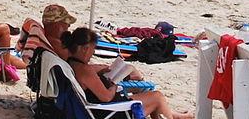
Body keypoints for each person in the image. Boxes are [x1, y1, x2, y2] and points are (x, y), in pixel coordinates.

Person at [63, 28, 192, 119]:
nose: (92, 54)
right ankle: (172, 115)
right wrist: (113, 85)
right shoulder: (85, 71)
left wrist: (99, 72)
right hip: (112, 112)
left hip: (103, 108)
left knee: (155, 99)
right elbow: (106, 97)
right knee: (157, 97)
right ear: (85, 49)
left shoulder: (72, 64)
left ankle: (172, 115)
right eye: (93, 49)